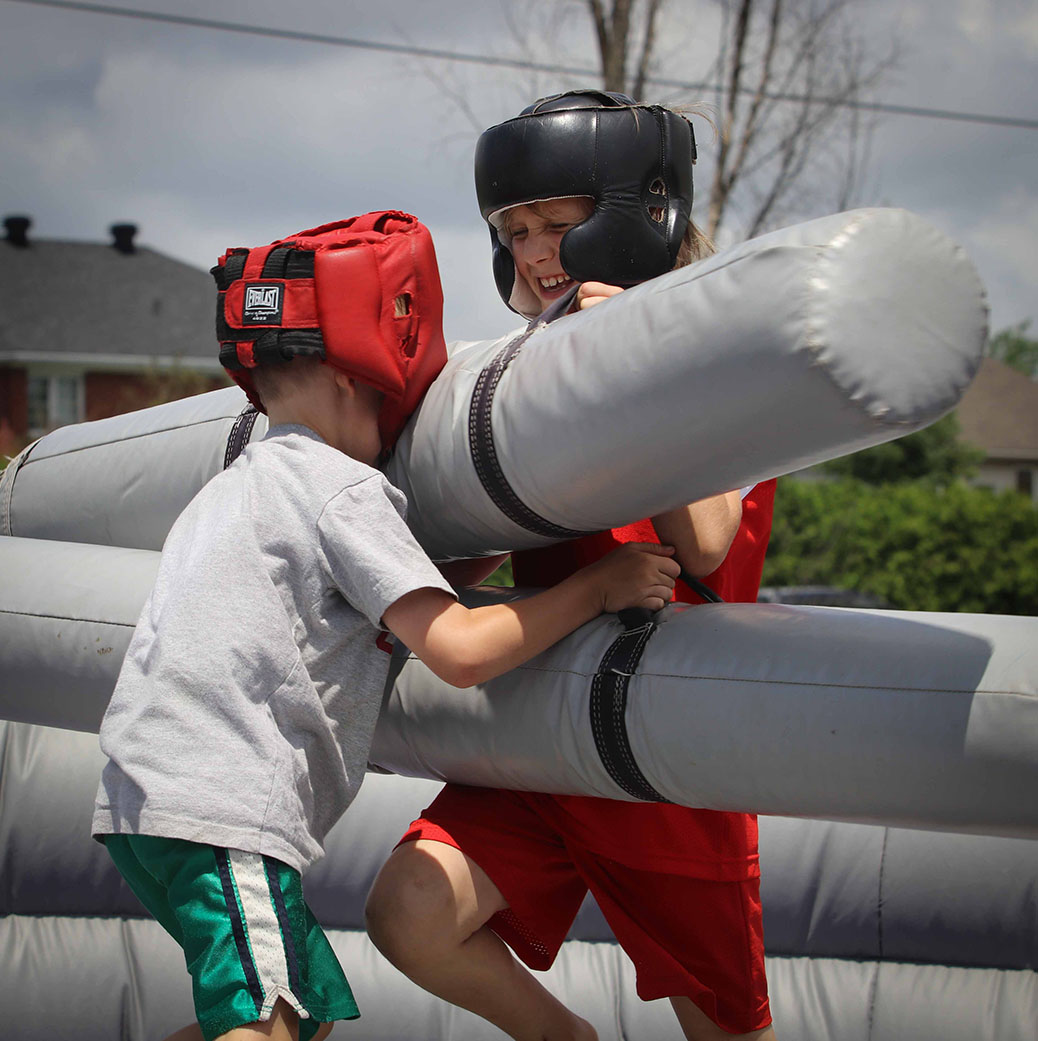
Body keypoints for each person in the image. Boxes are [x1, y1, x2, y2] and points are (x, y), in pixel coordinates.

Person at [91, 210, 680, 1041]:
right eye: (384, 395)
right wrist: (594, 586)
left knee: (304, 1016)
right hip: (219, 806)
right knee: (265, 1020)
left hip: (142, 802)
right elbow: (461, 651)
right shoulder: (342, 489)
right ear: (349, 376)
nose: (391, 420)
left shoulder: (233, 488)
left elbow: (383, 590)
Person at [365, 94, 778, 1041]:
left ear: (642, 213)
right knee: (408, 911)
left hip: (668, 752)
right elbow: (460, 536)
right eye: (515, 231)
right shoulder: (524, 371)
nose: (536, 250)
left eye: (558, 224)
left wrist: (631, 354)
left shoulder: (729, 349)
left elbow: (707, 539)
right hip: (544, 738)